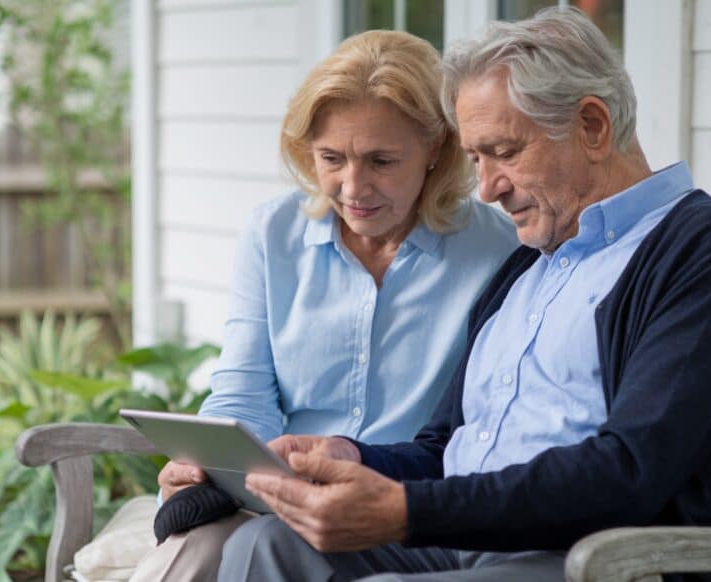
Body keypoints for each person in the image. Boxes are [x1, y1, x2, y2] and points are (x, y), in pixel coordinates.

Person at [218, 7, 711, 582]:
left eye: (505, 152)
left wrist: (406, 511)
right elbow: (445, 448)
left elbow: (632, 471)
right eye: (475, 159)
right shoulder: (528, 264)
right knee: (265, 545)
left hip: (604, 560)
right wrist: (356, 456)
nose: (487, 188)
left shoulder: (707, 248)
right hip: (466, 540)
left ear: (592, 126)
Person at [116, 30, 518, 582]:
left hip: (402, 510)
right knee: (189, 551)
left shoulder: (498, 249)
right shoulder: (271, 233)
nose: (354, 187)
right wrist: (206, 467)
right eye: (332, 158)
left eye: (381, 161)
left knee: (257, 547)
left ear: (435, 151)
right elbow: (243, 391)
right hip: (277, 496)